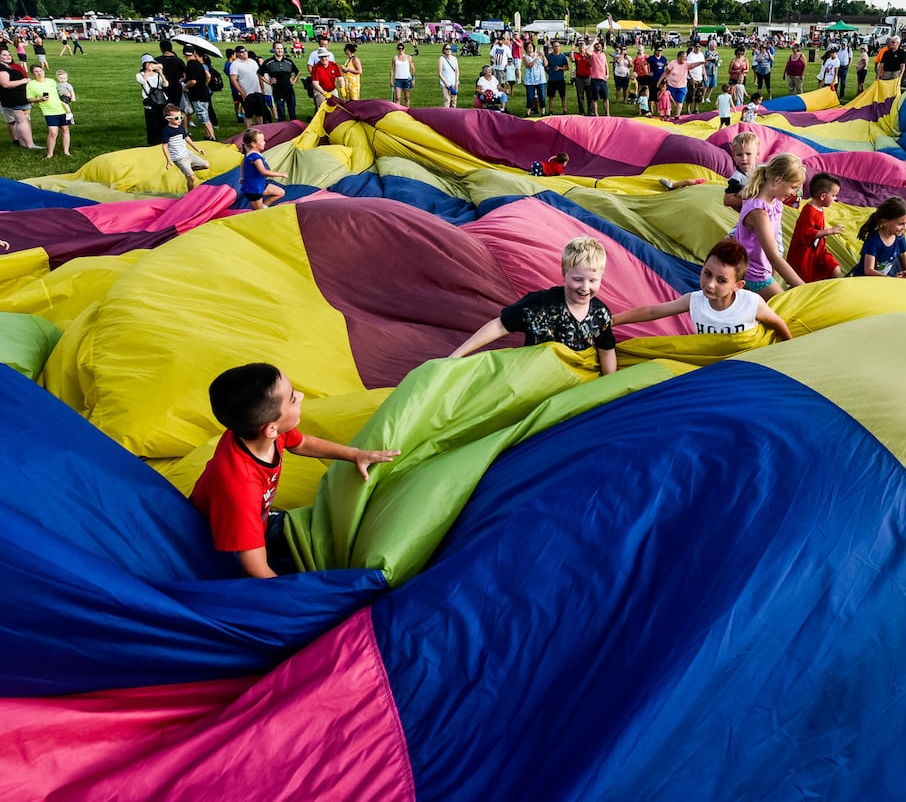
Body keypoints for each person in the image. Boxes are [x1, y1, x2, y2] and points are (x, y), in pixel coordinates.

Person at [191, 362, 399, 578]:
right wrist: (289, 596)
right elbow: (255, 567)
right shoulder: (241, 488)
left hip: (256, 521)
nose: (300, 396)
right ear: (271, 428)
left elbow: (302, 443)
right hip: (226, 545)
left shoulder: (259, 432)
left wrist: (354, 454)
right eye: (292, 399)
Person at [448, 236, 619, 375]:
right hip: (535, 375)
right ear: (564, 274)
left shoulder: (600, 314)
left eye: (592, 281)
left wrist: (608, 385)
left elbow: (606, 350)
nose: (585, 287)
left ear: (601, 278)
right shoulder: (539, 305)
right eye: (577, 279)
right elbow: (500, 325)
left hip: (574, 378)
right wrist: (457, 355)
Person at [611, 238, 792, 340]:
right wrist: (614, 320)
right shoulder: (695, 300)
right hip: (711, 366)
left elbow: (777, 323)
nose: (710, 284)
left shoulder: (751, 303)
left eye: (721, 280)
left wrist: (788, 347)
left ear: (738, 285)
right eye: (707, 273)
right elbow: (652, 311)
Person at [733, 152, 807, 299]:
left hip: (763, 269)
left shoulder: (775, 202)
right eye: (793, 187)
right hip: (754, 275)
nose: (794, 193)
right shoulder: (759, 213)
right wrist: (804, 288)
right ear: (778, 180)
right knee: (785, 306)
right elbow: (773, 256)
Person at [787, 172, 846, 282]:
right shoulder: (809, 210)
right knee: (804, 280)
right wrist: (830, 231)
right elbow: (806, 233)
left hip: (819, 251)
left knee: (835, 270)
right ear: (823, 196)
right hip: (805, 255)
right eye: (833, 195)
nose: (835, 199)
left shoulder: (819, 208)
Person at [852, 197, 906, 277]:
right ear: (884, 222)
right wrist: (890, 279)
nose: (905, 228)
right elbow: (868, 270)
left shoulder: (899, 237)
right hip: (862, 278)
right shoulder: (873, 241)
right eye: (901, 224)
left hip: (882, 278)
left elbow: (903, 254)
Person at [0, 48, 35, 149]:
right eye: (4, 55)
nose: (8, 57)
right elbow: (6, 84)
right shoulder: (0, 69)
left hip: (15, 98)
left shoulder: (5, 67)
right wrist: (23, 81)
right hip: (16, 99)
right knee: (22, 121)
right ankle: (30, 144)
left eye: (9, 55)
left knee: (20, 121)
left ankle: (23, 143)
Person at [160, 105, 209, 191]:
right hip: (179, 158)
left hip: (188, 154)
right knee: (192, 178)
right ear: (168, 119)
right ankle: (190, 194)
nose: (179, 120)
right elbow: (164, 146)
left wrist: (197, 149)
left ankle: (188, 171)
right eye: (176, 118)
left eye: (181, 117)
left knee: (206, 165)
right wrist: (168, 160)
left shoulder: (181, 128)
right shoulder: (167, 131)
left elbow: (186, 138)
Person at [25, 64, 69, 158]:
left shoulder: (51, 81)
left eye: (40, 71)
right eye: (36, 71)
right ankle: (50, 154)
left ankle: (66, 152)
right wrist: (40, 99)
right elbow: (29, 99)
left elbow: (60, 91)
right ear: (33, 74)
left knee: (65, 129)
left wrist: (67, 95)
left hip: (61, 108)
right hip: (48, 110)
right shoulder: (31, 85)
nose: (39, 73)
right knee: (53, 132)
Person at [239, 128, 288, 209]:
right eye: (262, 141)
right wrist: (281, 174)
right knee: (258, 213)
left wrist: (243, 176)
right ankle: (260, 211)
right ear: (253, 143)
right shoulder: (255, 157)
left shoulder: (249, 154)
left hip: (260, 185)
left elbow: (242, 163)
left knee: (280, 192)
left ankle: (264, 206)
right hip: (254, 189)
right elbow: (263, 171)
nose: (264, 142)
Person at [181, 48, 216, 141]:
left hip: (197, 95)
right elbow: (208, 75)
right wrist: (204, 84)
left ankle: (212, 137)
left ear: (184, 54)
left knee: (203, 116)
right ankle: (208, 135)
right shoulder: (199, 63)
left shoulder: (190, 65)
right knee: (205, 114)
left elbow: (193, 81)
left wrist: (185, 87)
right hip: (204, 92)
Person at [260, 42, 300, 122]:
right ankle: (282, 130)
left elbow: (297, 72)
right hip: (278, 91)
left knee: (292, 113)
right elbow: (259, 73)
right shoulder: (269, 62)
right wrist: (269, 82)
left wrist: (294, 80)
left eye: (281, 49)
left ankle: (295, 130)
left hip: (289, 91)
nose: (280, 50)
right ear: (274, 49)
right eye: (278, 49)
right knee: (281, 113)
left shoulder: (288, 62)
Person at [723, 129, 761, 210]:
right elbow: (727, 200)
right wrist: (751, 203)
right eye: (739, 155)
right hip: (749, 212)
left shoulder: (762, 171)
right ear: (734, 157)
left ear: (757, 154)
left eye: (748, 154)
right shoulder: (736, 179)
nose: (744, 158)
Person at [660, 50, 694, 120]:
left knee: (680, 101)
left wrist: (701, 63)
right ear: (679, 57)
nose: (685, 58)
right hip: (672, 85)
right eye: (683, 57)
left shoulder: (686, 64)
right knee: (669, 100)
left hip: (682, 86)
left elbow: (692, 66)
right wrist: (659, 81)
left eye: (685, 57)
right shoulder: (673, 63)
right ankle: (667, 114)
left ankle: (677, 116)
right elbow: (666, 72)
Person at [157, 39, 187, 107]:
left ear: (161, 49)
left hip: (162, 87)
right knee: (176, 107)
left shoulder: (157, 61)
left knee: (164, 107)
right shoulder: (179, 61)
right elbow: (185, 75)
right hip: (176, 87)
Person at [522, 44, 548, 117]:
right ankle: (528, 112)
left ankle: (543, 112)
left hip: (541, 79)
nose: (530, 48)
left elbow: (546, 64)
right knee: (530, 97)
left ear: (534, 48)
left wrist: (543, 56)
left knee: (542, 96)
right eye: (528, 47)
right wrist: (537, 58)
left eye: (531, 47)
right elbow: (529, 65)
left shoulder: (539, 55)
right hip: (530, 81)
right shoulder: (525, 57)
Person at [390, 42, 415, 108]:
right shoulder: (395, 58)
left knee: (407, 97)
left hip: (407, 79)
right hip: (398, 80)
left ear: (404, 49)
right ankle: (398, 112)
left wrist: (413, 80)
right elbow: (392, 69)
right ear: (397, 49)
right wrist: (391, 80)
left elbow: (413, 69)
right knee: (398, 98)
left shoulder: (409, 58)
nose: (400, 50)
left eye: (402, 48)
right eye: (399, 49)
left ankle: (407, 111)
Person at [589, 43, 610, 117]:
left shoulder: (603, 55)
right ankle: (596, 114)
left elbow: (606, 65)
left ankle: (607, 113)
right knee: (595, 98)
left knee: (606, 98)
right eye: (597, 45)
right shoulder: (592, 54)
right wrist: (594, 41)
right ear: (594, 46)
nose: (599, 47)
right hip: (595, 79)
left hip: (603, 80)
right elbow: (588, 51)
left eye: (600, 46)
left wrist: (607, 74)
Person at [439, 43, 462, 109]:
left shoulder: (454, 59)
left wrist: (456, 82)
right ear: (444, 50)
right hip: (445, 84)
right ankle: (446, 117)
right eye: (447, 49)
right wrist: (446, 84)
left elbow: (457, 71)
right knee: (447, 101)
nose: (448, 50)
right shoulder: (441, 59)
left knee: (454, 101)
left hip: (454, 83)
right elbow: (440, 73)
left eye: (450, 49)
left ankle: (453, 116)